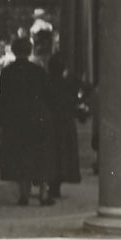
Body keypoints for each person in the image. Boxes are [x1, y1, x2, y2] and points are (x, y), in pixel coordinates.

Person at [0, 36, 53, 206]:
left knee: (21, 156)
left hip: (16, 119)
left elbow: (3, 98)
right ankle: (43, 194)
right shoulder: (38, 71)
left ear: (14, 51)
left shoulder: (7, 72)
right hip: (37, 118)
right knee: (40, 156)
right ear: (30, 50)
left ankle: (24, 194)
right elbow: (48, 95)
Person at [45, 52, 82, 200]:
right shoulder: (69, 84)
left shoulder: (46, 83)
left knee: (52, 154)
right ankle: (57, 186)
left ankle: (51, 185)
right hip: (65, 122)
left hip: (50, 123)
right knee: (64, 155)